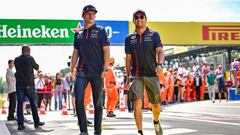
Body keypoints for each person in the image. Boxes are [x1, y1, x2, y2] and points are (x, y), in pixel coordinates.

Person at [70, 5, 110, 135]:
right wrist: (72, 70)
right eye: (88, 13)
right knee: (78, 101)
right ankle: (83, 131)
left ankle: (97, 131)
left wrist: (105, 68)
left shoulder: (100, 30)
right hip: (81, 71)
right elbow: (75, 52)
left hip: (97, 72)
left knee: (98, 103)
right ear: (83, 16)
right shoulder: (78, 33)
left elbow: (106, 51)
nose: (91, 16)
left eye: (93, 14)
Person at [125, 10, 164, 135]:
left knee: (156, 105)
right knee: (137, 102)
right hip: (137, 75)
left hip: (152, 75)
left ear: (146, 19)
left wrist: (160, 64)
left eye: (141, 17)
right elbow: (128, 59)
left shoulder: (154, 35)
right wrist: (127, 77)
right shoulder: (129, 39)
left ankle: (156, 121)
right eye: (136, 17)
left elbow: (160, 51)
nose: (139, 19)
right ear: (134, 20)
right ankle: (140, 131)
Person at [14, 45, 45, 130]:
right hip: (29, 85)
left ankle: (20, 124)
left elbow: (18, 71)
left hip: (19, 85)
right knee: (33, 104)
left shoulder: (16, 59)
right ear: (28, 51)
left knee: (20, 105)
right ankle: (36, 122)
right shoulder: (30, 58)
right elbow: (37, 67)